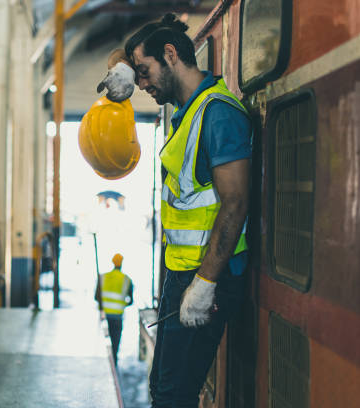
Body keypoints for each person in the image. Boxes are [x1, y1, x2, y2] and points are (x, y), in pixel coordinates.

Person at [100, 13, 251, 408]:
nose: (143, 85)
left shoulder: (218, 113)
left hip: (207, 279)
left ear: (171, 54)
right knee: (162, 389)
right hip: (181, 273)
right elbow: (132, 56)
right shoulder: (188, 110)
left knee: (173, 395)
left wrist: (205, 283)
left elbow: (235, 204)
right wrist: (121, 66)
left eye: (145, 73)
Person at [95, 253, 133, 366]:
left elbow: (96, 297)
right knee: (115, 344)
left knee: (103, 344)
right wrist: (121, 305)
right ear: (121, 264)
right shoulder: (127, 279)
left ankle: (104, 364)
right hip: (117, 317)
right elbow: (130, 301)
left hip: (104, 316)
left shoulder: (102, 277)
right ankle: (114, 365)